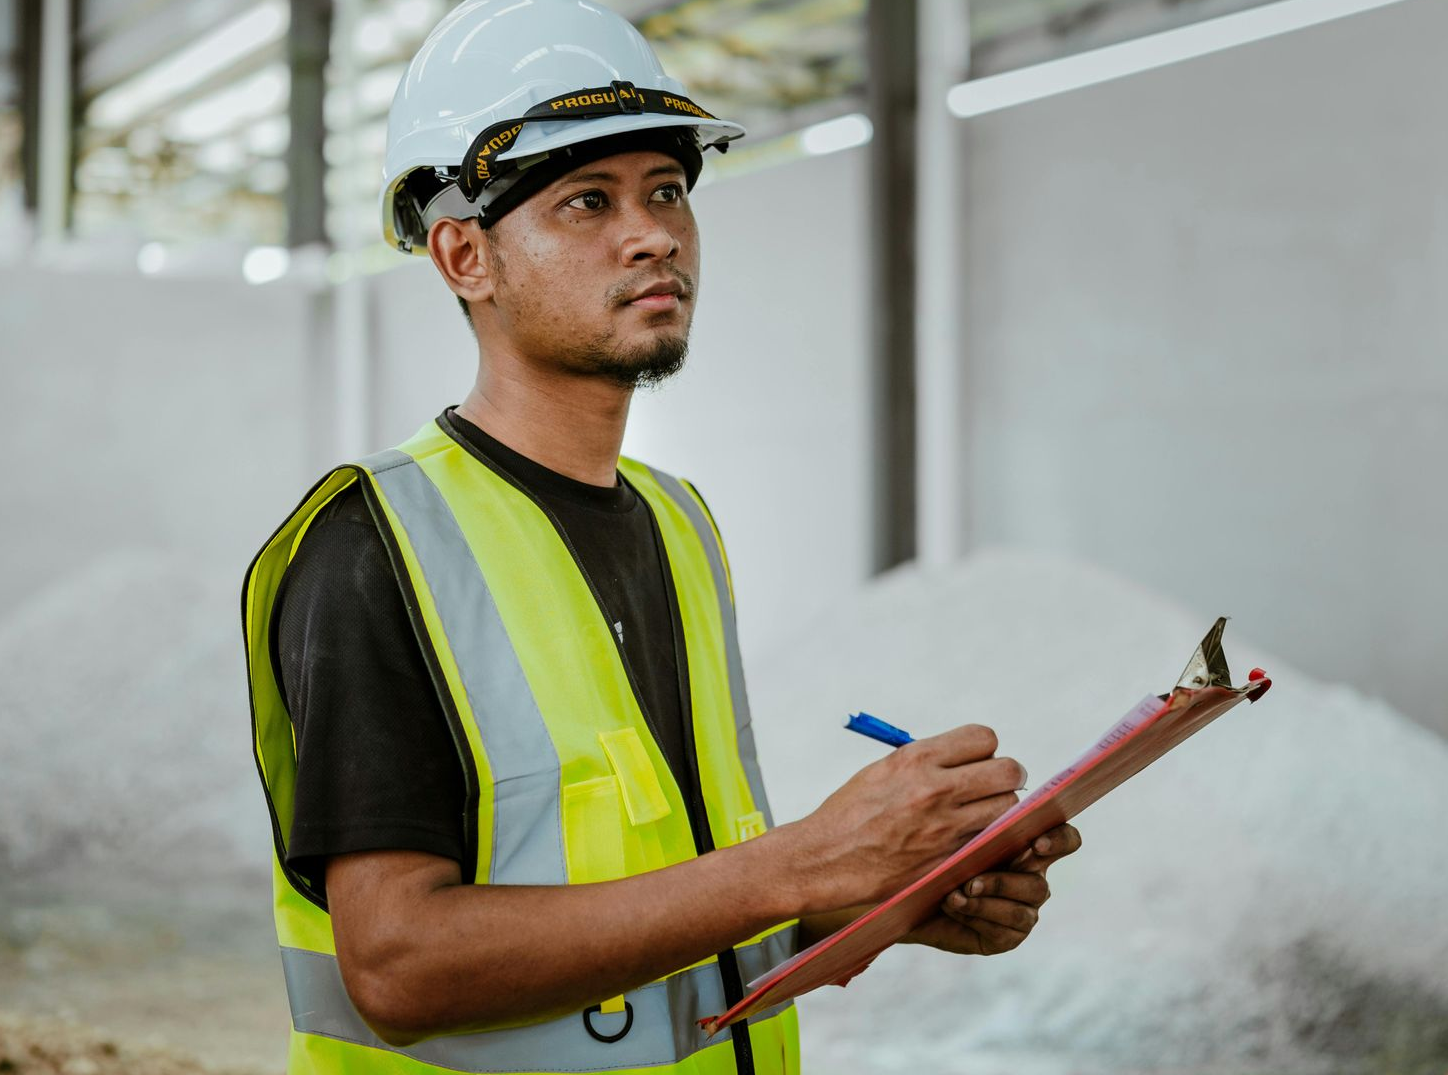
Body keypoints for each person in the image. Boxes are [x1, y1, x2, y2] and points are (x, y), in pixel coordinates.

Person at [238, 2, 1081, 1072]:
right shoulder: (376, 547)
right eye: (588, 200)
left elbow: (672, 900)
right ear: (464, 254)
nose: (654, 235)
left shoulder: (679, 524)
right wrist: (805, 864)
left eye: (669, 191)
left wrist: (887, 895)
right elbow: (399, 967)